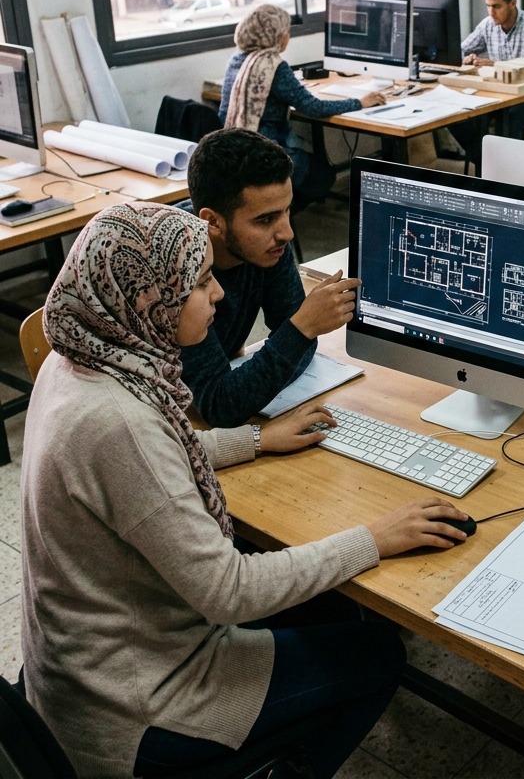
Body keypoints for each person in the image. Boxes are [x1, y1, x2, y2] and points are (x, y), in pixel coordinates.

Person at [21, 201, 471, 779]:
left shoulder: (82, 357)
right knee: (379, 654)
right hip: (136, 704)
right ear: (145, 297)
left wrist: (254, 439)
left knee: (328, 603)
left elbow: (153, 463)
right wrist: (376, 536)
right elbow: (229, 593)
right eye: (201, 281)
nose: (220, 296)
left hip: (87, 667)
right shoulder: (119, 423)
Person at [177, 128, 357, 428]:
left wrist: (249, 382)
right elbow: (219, 407)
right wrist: (301, 329)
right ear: (212, 221)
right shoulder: (176, 265)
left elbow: (300, 344)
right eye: (265, 219)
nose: (286, 233)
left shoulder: (268, 247)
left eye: (287, 210)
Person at [220, 4, 385, 212]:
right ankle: (277, 211)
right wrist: (360, 102)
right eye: (286, 32)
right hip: (266, 154)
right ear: (275, 36)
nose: (288, 37)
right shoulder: (273, 66)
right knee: (324, 175)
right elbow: (312, 107)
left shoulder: (235, 60)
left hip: (234, 154)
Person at [453, 0, 524, 148]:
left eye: (496, 6)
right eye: (488, 6)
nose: (491, 12)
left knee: (510, 118)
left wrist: (496, 65)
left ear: (512, 3)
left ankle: (509, 170)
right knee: (459, 115)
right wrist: (466, 59)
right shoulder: (487, 25)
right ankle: (482, 161)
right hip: (496, 95)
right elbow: (459, 50)